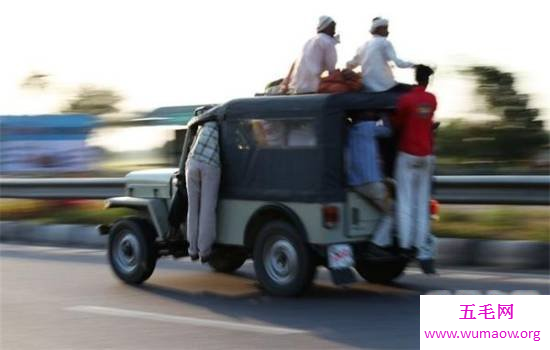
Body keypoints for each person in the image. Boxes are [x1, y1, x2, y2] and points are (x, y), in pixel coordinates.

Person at [393, 65, 437, 274]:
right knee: (421, 202)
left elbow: (397, 122)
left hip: (408, 154)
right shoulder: (432, 99)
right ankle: (422, 250)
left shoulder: (406, 99)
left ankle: (404, 246)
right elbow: (426, 121)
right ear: (427, 81)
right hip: (426, 154)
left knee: (405, 200)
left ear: (414, 78)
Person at [345, 113, 394, 249]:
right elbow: (388, 131)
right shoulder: (368, 127)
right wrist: (384, 117)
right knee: (393, 211)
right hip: (371, 182)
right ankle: (378, 244)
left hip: (355, 183)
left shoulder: (349, 131)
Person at [346, 17, 416, 92]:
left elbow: (350, 64)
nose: (388, 31)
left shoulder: (363, 46)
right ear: (378, 29)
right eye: (385, 28)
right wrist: (415, 66)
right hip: (385, 86)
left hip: (367, 87)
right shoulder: (384, 42)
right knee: (414, 89)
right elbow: (399, 63)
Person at [185, 121, 221, 263]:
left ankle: (192, 250)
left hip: (192, 163)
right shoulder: (221, 125)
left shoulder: (202, 126)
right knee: (207, 209)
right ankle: (204, 251)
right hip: (211, 164)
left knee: (193, 209)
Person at [281, 16, 339, 94]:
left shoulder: (309, 41)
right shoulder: (327, 42)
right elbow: (332, 70)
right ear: (327, 27)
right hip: (311, 88)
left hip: (296, 88)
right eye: (333, 27)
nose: (334, 31)